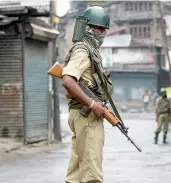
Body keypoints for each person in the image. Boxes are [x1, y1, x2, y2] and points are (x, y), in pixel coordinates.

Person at [61, 6, 113, 183]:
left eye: (104, 29)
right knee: (91, 175)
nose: (103, 33)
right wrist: (92, 105)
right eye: (100, 28)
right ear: (89, 28)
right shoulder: (83, 50)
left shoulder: (88, 50)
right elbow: (68, 80)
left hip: (82, 116)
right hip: (87, 117)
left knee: (77, 173)